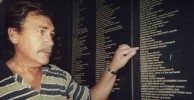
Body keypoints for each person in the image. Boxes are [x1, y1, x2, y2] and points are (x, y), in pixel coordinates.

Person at [0, 1, 139, 100]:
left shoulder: (60, 76)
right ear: (14, 35)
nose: (51, 42)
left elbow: (92, 97)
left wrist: (114, 65)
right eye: (42, 31)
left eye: (52, 34)